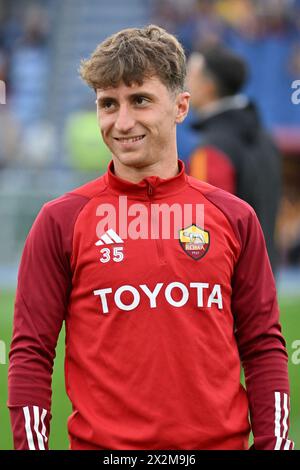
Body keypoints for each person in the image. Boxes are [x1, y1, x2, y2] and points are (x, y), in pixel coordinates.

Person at [8, 25, 293, 451]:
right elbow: (31, 354)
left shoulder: (234, 217)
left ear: (180, 107)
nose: (122, 122)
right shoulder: (60, 221)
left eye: (140, 100)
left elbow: (264, 346)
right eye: (108, 104)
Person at [186, 45, 281, 273]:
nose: (185, 83)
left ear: (208, 86)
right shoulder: (265, 138)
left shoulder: (211, 149)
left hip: (226, 282)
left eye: (190, 74)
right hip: (263, 274)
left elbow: (205, 229)